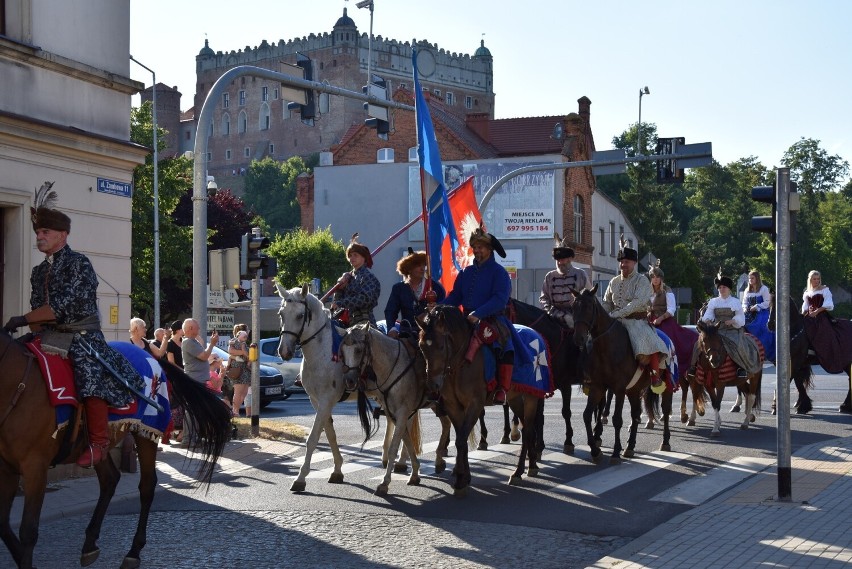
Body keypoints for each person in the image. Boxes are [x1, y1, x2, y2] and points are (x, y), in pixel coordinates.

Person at [2, 183, 145, 468]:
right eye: (38, 233)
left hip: (82, 336)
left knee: (89, 378)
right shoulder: (39, 270)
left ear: (62, 235)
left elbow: (65, 304)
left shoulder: (79, 264)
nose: (39, 238)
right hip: (49, 335)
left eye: (45, 233)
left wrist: (22, 319)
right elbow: (37, 305)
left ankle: (98, 444)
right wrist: (32, 325)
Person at [442, 224, 530, 405]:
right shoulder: (466, 272)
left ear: (489, 249)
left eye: (480, 247)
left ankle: (502, 389)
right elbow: (455, 297)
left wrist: (479, 313)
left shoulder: (499, 273)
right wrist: (438, 307)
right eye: (474, 248)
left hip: (493, 319)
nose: (476, 251)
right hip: (465, 319)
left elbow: (499, 299)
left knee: (505, 347)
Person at [601, 239, 669, 387]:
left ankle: (655, 375)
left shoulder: (642, 281)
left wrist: (618, 314)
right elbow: (607, 302)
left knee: (649, 342)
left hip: (636, 322)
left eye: (627, 262)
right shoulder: (613, 281)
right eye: (621, 262)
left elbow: (637, 303)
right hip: (614, 320)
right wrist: (604, 315)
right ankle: (591, 374)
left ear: (634, 263)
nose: (623, 264)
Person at [688, 271, 761, 380]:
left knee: (738, 345)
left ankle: (741, 367)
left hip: (733, 330)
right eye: (720, 287)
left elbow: (741, 318)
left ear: (729, 289)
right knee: (698, 344)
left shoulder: (735, 302)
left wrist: (732, 321)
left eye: (724, 287)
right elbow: (709, 314)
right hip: (717, 330)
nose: (722, 289)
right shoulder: (713, 301)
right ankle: (693, 367)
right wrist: (707, 320)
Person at [800, 270, 852, 412]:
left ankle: (825, 352)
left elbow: (829, 304)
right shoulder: (807, 292)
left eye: (818, 278)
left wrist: (818, 311)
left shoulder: (825, 290)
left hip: (821, 318)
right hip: (809, 318)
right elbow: (805, 307)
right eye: (814, 279)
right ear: (810, 279)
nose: (817, 281)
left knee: (825, 334)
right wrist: (805, 314)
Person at [647, 262, 696, 383]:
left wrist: (660, 319)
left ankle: (669, 367)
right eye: (653, 277)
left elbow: (671, 309)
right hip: (649, 320)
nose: (655, 279)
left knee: (668, 342)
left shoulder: (667, 291)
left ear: (661, 278)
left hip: (664, 321)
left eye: (658, 277)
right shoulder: (647, 291)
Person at [384, 248, 446, 338]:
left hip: (430, 334)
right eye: (418, 266)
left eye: (423, 265)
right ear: (408, 269)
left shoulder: (435, 287)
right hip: (406, 333)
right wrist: (391, 328)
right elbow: (390, 311)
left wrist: (435, 309)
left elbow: (444, 310)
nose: (422, 269)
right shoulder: (398, 288)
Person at [181, 318, 219, 445]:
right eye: (197, 327)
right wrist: (212, 343)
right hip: (194, 380)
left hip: (198, 380)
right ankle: (188, 438)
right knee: (192, 409)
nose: (199, 329)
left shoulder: (193, 341)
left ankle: (194, 437)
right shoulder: (188, 342)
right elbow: (203, 356)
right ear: (190, 328)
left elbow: (203, 356)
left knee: (197, 409)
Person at [540, 233, 591, 327]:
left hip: (577, 319)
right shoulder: (549, 276)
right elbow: (544, 299)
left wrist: (577, 317)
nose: (559, 263)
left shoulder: (580, 274)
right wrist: (557, 314)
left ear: (570, 259)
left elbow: (589, 299)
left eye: (562, 259)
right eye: (557, 260)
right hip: (553, 319)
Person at [332, 233, 381, 327]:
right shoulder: (347, 278)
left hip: (364, 323)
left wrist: (341, 303)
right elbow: (336, 303)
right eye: (350, 255)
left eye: (355, 255)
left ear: (364, 257)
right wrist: (339, 288)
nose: (352, 258)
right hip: (345, 323)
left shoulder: (369, 277)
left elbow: (365, 299)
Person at [742, 270, 775, 362]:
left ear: (757, 278)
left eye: (752, 278)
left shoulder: (764, 289)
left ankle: (763, 351)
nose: (750, 280)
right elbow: (744, 302)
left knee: (762, 326)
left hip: (762, 312)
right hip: (748, 313)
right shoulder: (747, 290)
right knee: (741, 324)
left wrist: (757, 306)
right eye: (749, 278)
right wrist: (745, 308)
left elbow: (767, 302)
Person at [228, 328, 252, 417]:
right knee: (238, 392)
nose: (246, 335)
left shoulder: (244, 343)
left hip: (245, 370)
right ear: (238, 335)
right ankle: (235, 411)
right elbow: (230, 351)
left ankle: (236, 411)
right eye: (244, 333)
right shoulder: (233, 341)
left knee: (244, 393)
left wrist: (244, 352)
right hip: (238, 370)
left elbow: (248, 356)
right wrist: (242, 351)